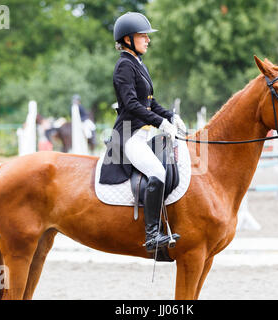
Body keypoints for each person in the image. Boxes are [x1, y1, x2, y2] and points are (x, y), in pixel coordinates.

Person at [100, 12, 186, 253]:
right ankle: (152, 235)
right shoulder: (123, 67)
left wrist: (170, 116)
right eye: (143, 36)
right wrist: (160, 122)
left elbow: (149, 102)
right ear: (127, 39)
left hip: (143, 131)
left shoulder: (138, 64)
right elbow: (131, 105)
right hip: (129, 134)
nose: (148, 40)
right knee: (157, 171)